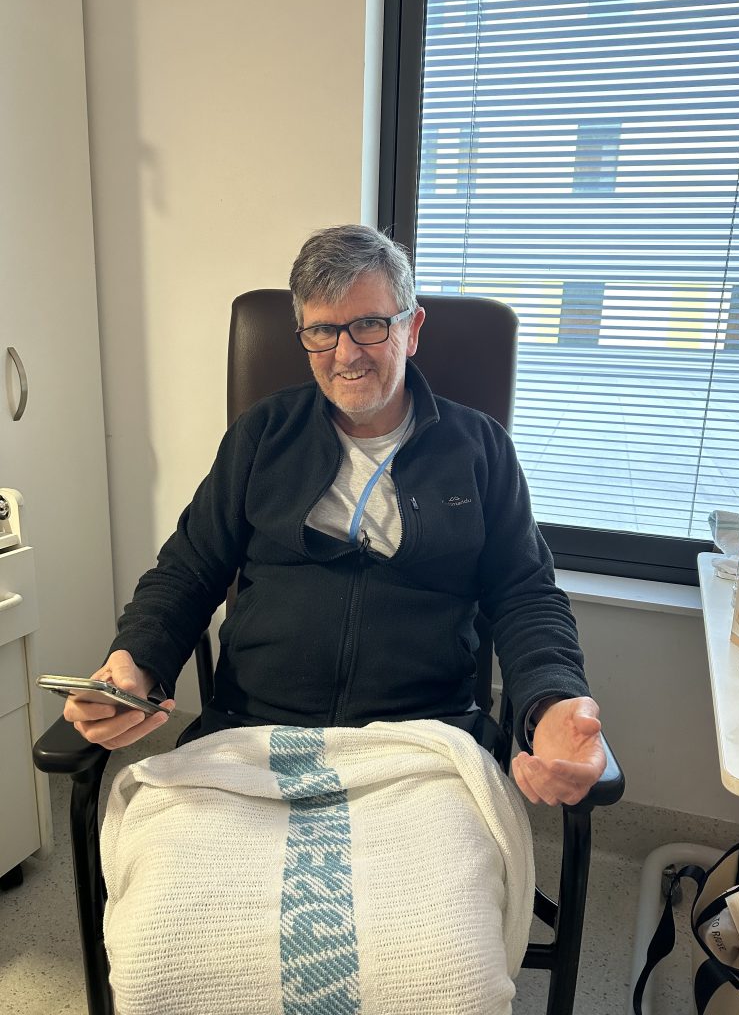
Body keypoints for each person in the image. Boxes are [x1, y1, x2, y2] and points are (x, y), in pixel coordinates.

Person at [64, 223, 605, 807]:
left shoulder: (479, 448)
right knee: (171, 893)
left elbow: (526, 593)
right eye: (323, 330)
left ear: (412, 328)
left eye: (369, 325)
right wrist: (135, 661)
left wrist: (550, 701)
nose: (346, 354)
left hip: (424, 744)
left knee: (439, 900)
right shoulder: (263, 436)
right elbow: (188, 571)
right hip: (252, 734)